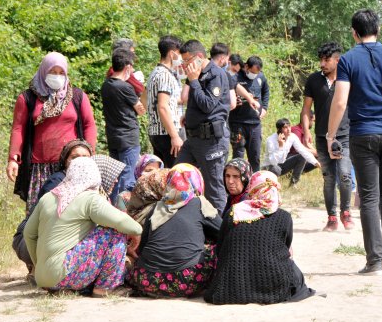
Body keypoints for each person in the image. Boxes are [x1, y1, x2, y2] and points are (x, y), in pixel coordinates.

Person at [327, 9, 382, 276]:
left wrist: (331, 135)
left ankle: (375, 261)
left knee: (368, 194)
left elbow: (341, 101)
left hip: (362, 133)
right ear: (378, 29)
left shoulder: (348, 60)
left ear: (354, 32)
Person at [24, 157, 142, 297]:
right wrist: (137, 231)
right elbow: (124, 223)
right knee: (113, 231)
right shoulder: (89, 198)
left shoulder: (48, 197)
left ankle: (62, 287)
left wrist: (40, 265)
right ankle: (105, 288)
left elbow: (28, 234)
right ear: (94, 175)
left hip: (43, 277)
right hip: (62, 272)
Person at [204, 171, 316, 304]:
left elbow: (220, 249)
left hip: (230, 286)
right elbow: (285, 248)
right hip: (274, 286)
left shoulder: (233, 211)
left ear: (251, 189)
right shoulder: (284, 216)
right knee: (291, 266)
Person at [7, 52, 97, 212]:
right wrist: (13, 159)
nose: (57, 76)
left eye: (61, 72)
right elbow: (18, 128)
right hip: (39, 168)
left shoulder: (77, 96)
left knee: (70, 211)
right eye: (52, 72)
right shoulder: (28, 98)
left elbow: (89, 124)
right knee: (40, 212)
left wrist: (88, 153)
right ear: (43, 72)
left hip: (72, 165)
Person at [128, 164, 221, 298]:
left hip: (146, 280)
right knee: (218, 247)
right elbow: (223, 231)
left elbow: (143, 248)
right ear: (196, 181)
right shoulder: (199, 203)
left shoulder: (156, 207)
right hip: (187, 281)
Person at [12, 139, 94, 272]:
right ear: (65, 161)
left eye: (85, 157)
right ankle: (38, 268)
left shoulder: (90, 181)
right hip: (29, 241)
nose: (80, 161)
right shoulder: (58, 180)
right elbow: (50, 220)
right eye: (75, 157)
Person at [302, 42, 356, 232]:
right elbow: (306, 109)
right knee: (328, 178)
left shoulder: (348, 79)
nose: (322, 64)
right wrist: (306, 131)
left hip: (344, 135)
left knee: (345, 175)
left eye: (326, 60)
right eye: (321, 60)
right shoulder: (313, 80)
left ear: (337, 60)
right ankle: (332, 217)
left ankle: (346, 213)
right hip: (320, 136)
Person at [175, 40, 231, 214]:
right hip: (193, 140)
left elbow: (208, 104)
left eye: (186, 61)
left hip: (211, 141)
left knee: (214, 190)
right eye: (182, 62)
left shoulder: (216, 74)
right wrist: (189, 117)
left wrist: (193, 81)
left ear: (199, 57)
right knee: (177, 177)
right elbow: (199, 105)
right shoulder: (196, 74)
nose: (184, 66)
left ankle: (220, 234)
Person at [101, 48, 145, 202]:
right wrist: (142, 92)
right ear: (127, 67)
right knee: (127, 178)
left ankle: (111, 206)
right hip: (128, 138)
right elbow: (141, 110)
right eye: (131, 67)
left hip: (113, 137)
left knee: (116, 177)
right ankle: (121, 210)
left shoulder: (106, 85)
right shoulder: (125, 87)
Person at [146, 35, 184, 168]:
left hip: (156, 132)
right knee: (175, 174)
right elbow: (162, 106)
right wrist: (174, 136)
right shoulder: (165, 75)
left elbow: (168, 101)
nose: (181, 58)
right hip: (167, 133)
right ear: (172, 53)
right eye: (179, 54)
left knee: (163, 175)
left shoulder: (155, 72)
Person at [229, 55, 269, 171]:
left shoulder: (261, 77)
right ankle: (237, 183)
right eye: (252, 72)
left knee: (255, 156)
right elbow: (228, 92)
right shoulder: (235, 76)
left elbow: (266, 91)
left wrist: (265, 108)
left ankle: (255, 183)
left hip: (255, 123)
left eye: (257, 73)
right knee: (238, 155)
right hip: (238, 123)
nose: (254, 75)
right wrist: (233, 99)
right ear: (246, 66)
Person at [262, 118, 320, 186]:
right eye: (285, 127)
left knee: (301, 157)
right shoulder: (271, 140)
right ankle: (272, 186)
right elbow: (273, 162)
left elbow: (303, 150)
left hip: (283, 164)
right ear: (279, 130)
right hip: (269, 168)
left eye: (289, 126)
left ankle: (293, 183)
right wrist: (280, 147)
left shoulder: (292, 137)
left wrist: (315, 162)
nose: (289, 129)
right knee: (276, 168)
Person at [210, 42, 237, 111]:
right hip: (217, 118)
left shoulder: (198, 71)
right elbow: (232, 104)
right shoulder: (225, 75)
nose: (228, 62)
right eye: (227, 59)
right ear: (222, 58)